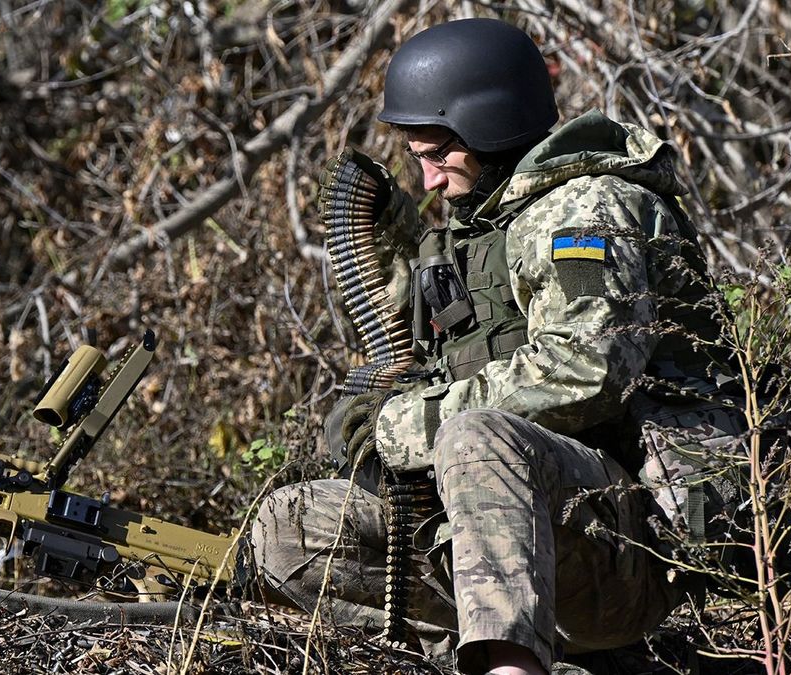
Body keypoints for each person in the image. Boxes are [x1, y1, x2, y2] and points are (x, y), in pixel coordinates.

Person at [251, 17, 745, 675]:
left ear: (488, 125)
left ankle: (514, 662)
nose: (428, 180)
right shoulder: (482, 227)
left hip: (632, 553)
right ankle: (497, 641)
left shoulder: (585, 207)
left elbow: (589, 364)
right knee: (283, 531)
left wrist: (410, 423)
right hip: (518, 535)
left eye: (438, 156)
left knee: (473, 435)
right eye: (418, 159)